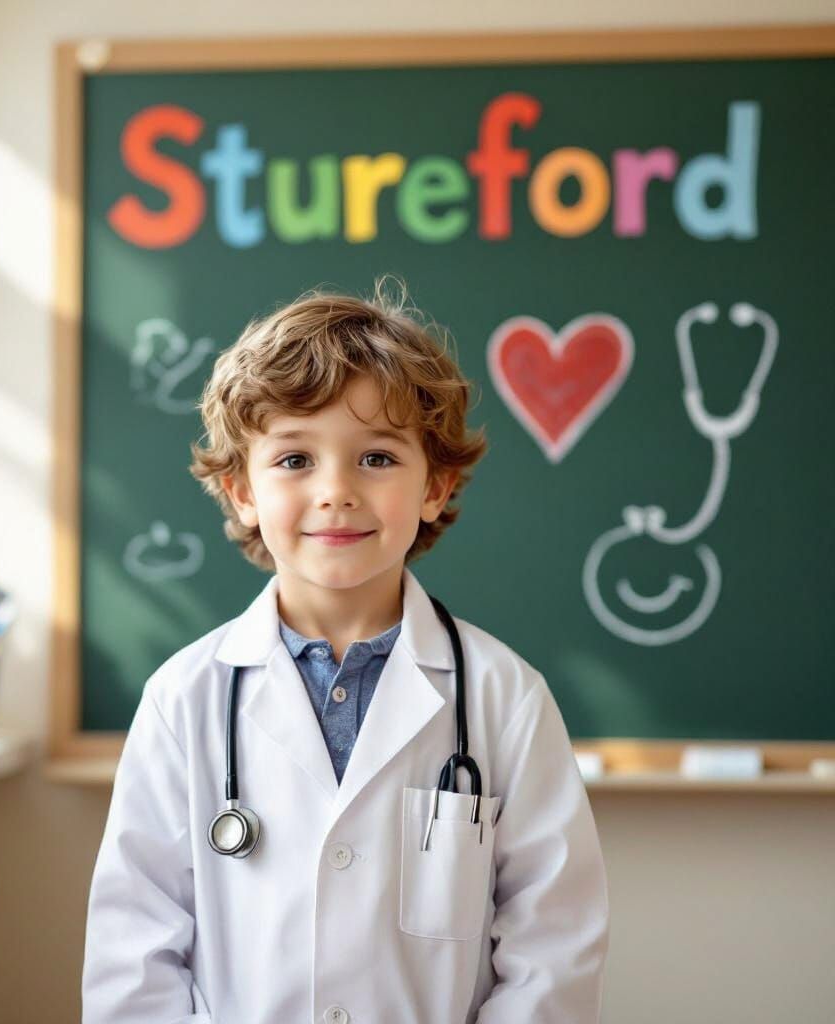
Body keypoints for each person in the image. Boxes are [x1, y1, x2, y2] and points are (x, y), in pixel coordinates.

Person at [82, 275, 610, 1023]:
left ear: (437, 484)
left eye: (377, 458)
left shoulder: (504, 698)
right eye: (295, 460)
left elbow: (553, 947)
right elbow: (133, 953)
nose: (336, 490)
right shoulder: (185, 699)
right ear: (240, 490)